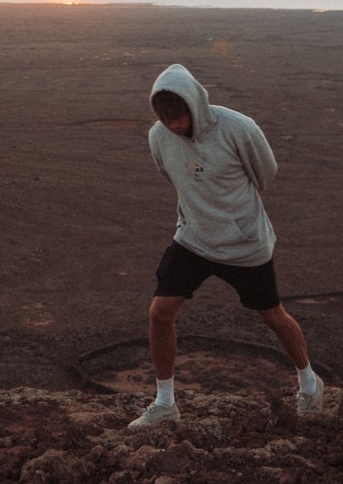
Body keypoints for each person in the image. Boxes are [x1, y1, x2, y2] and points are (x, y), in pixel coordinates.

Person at [127, 62, 324, 428]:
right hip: (193, 238)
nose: (175, 126)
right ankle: (165, 402)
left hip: (244, 244)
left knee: (273, 317)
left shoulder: (238, 128)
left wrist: (230, 212)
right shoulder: (159, 136)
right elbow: (170, 174)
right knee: (160, 312)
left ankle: (310, 383)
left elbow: (265, 172)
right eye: (166, 118)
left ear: (195, 104)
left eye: (180, 116)